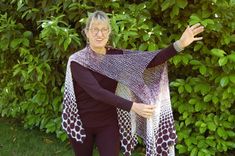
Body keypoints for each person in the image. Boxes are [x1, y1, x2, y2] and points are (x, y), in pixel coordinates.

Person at [62, 10, 204, 156]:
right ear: (87, 32)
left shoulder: (116, 57)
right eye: (95, 29)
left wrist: (179, 44)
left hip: (108, 123)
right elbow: (97, 92)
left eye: (104, 29)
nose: (100, 34)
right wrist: (134, 106)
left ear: (109, 32)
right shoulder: (78, 61)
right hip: (82, 123)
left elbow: (150, 61)